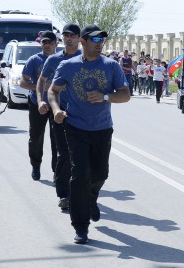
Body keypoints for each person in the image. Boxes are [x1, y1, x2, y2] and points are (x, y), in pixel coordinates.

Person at [48, 24, 130, 244]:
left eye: (102, 39)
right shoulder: (67, 66)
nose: (100, 43)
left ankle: (92, 197)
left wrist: (105, 97)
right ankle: (80, 226)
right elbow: (52, 91)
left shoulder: (111, 66)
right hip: (75, 127)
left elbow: (125, 95)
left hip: (102, 128)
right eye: (95, 39)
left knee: (100, 174)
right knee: (79, 173)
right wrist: (56, 110)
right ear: (83, 42)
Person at [36, 24, 82, 211]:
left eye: (72, 35)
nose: (68, 38)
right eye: (65, 35)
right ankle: (64, 194)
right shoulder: (53, 60)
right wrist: (40, 101)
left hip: (81, 113)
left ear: (80, 38)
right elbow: (41, 82)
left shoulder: (85, 59)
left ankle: (81, 190)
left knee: (79, 155)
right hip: (59, 112)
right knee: (63, 152)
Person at [21, 31, 59, 181]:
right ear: (41, 43)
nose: (47, 45)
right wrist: (40, 88)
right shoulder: (34, 60)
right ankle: (35, 166)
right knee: (36, 138)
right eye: (44, 42)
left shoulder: (62, 59)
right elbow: (23, 82)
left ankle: (57, 171)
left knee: (57, 139)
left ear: (56, 43)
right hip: (38, 104)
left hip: (57, 104)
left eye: (50, 42)